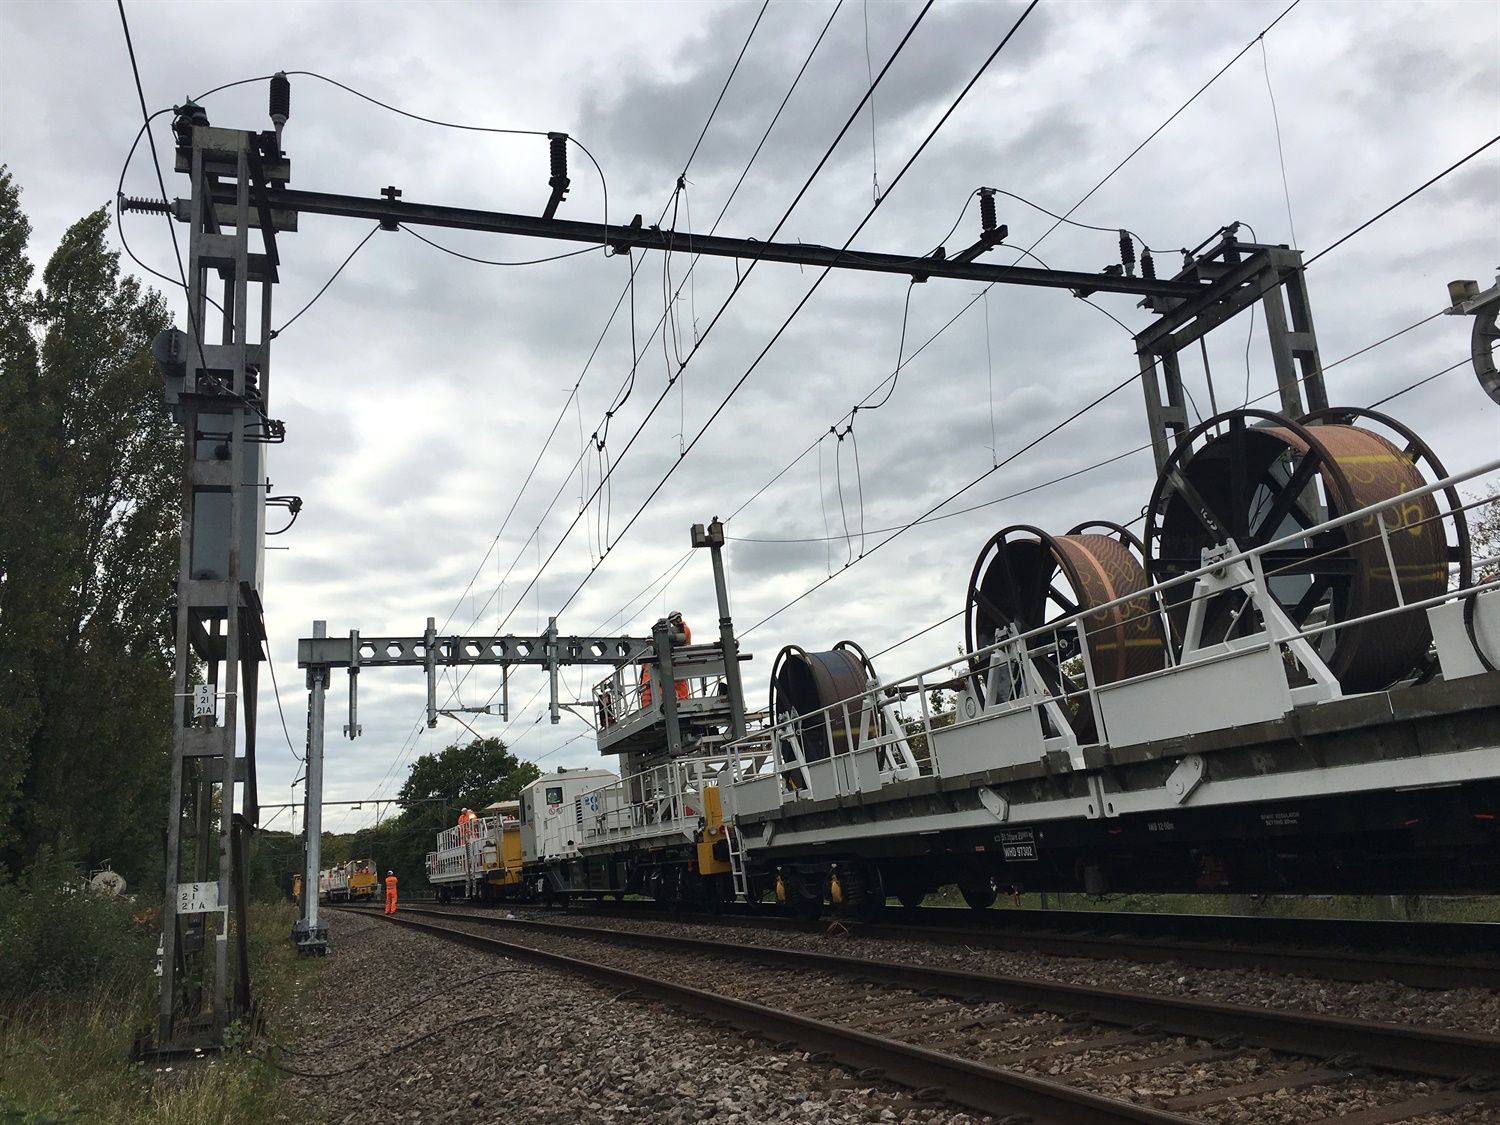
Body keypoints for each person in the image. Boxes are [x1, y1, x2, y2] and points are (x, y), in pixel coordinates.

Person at [640, 612, 692, 707]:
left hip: (678, 660)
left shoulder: (683, 629)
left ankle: (682, 702)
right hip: (673, 664)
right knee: (678, 687)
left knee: (680, 687)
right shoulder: (647, 656)